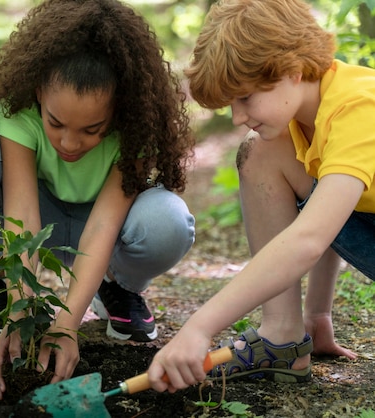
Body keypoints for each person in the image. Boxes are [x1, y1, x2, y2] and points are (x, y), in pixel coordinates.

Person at [0, 0, 196, 400]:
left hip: (107, 229)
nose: (70, 143)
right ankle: (0, 287)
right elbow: (21, 216)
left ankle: (116, 286)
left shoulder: (136, 127)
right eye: (55, 123)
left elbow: (105, 224)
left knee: (168, 223)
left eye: (92, 130)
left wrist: (66, 325)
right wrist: (22, 312)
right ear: (39, 92)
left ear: (119, 112)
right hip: (43, 215)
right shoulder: (20, 110)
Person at [147, 0, 374, 393]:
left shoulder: (359, 109)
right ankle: (284, 337)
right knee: (261, 150)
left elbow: (309, 239)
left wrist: (199, 327)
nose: (236, 117)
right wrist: (317, 312)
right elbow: (332, 207)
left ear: (292, 70)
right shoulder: (310, 112)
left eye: (245, 98)